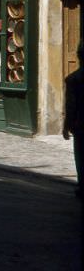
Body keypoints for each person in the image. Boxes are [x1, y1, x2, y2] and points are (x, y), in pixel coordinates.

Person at [63, 42, 84, 197]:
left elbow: (71, 106)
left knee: (81, 157)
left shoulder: (74, 79)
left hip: (81, 125)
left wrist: (66, 125)